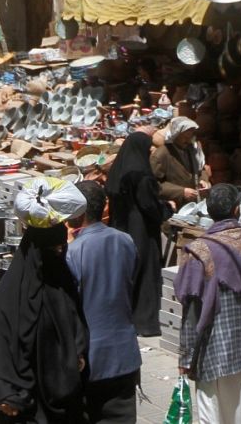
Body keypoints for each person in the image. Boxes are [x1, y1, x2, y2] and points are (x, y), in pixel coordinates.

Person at [175, 184, 241, 424]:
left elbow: (191, 313)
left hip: (213, 352)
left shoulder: (198, 251)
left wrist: (184, 358)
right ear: (237, 209)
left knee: (212, 416)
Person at [0, 218, 89, 424]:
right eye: (53, 249)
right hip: (21, 397)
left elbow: (76, 321)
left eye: (62, 248)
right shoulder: (12, 290)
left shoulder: (62, 281)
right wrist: (7, 390)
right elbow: (1, 342)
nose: (59, 253)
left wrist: (78, 352)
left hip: (60, 389)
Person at [65, 181, 140, 424]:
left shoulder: (74, 252)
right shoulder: (126, 241)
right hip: (125, 355)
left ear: (80, 211)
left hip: (92, 358)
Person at [105, 131, 171, 337]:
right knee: (145, 274)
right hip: (142, 232)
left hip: (121, 229)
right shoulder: (141, 175)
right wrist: (167, 209)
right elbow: (150, 205)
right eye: (148, 146)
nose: (151, 150)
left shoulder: (119, 170)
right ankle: (145, 323)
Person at [151, 116, 208, 208]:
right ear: (176, 135)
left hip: (193, 204)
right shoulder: (162, 154)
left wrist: (203, 180)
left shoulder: (192, 150)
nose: (188, 140)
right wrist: (181, 192)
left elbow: (201, 169)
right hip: (173, 206)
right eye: (185, 137)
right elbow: (153, 184)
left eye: (190, 136)